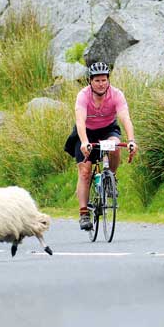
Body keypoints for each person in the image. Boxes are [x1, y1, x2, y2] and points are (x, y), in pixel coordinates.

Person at [64, 62, 138, 231]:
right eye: (97, 80)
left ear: (108, 80)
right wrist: (84, 141)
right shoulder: (83, 95)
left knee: (115, 147)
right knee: (85, 171)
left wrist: (132, 140)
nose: (101, 83)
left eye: (104, 80)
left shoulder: (117, 94)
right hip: (86, 132)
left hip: (108, 129)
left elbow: (125, 118)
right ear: (90, 81)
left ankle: (110, 179)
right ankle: (84, 213)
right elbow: (80, 120)